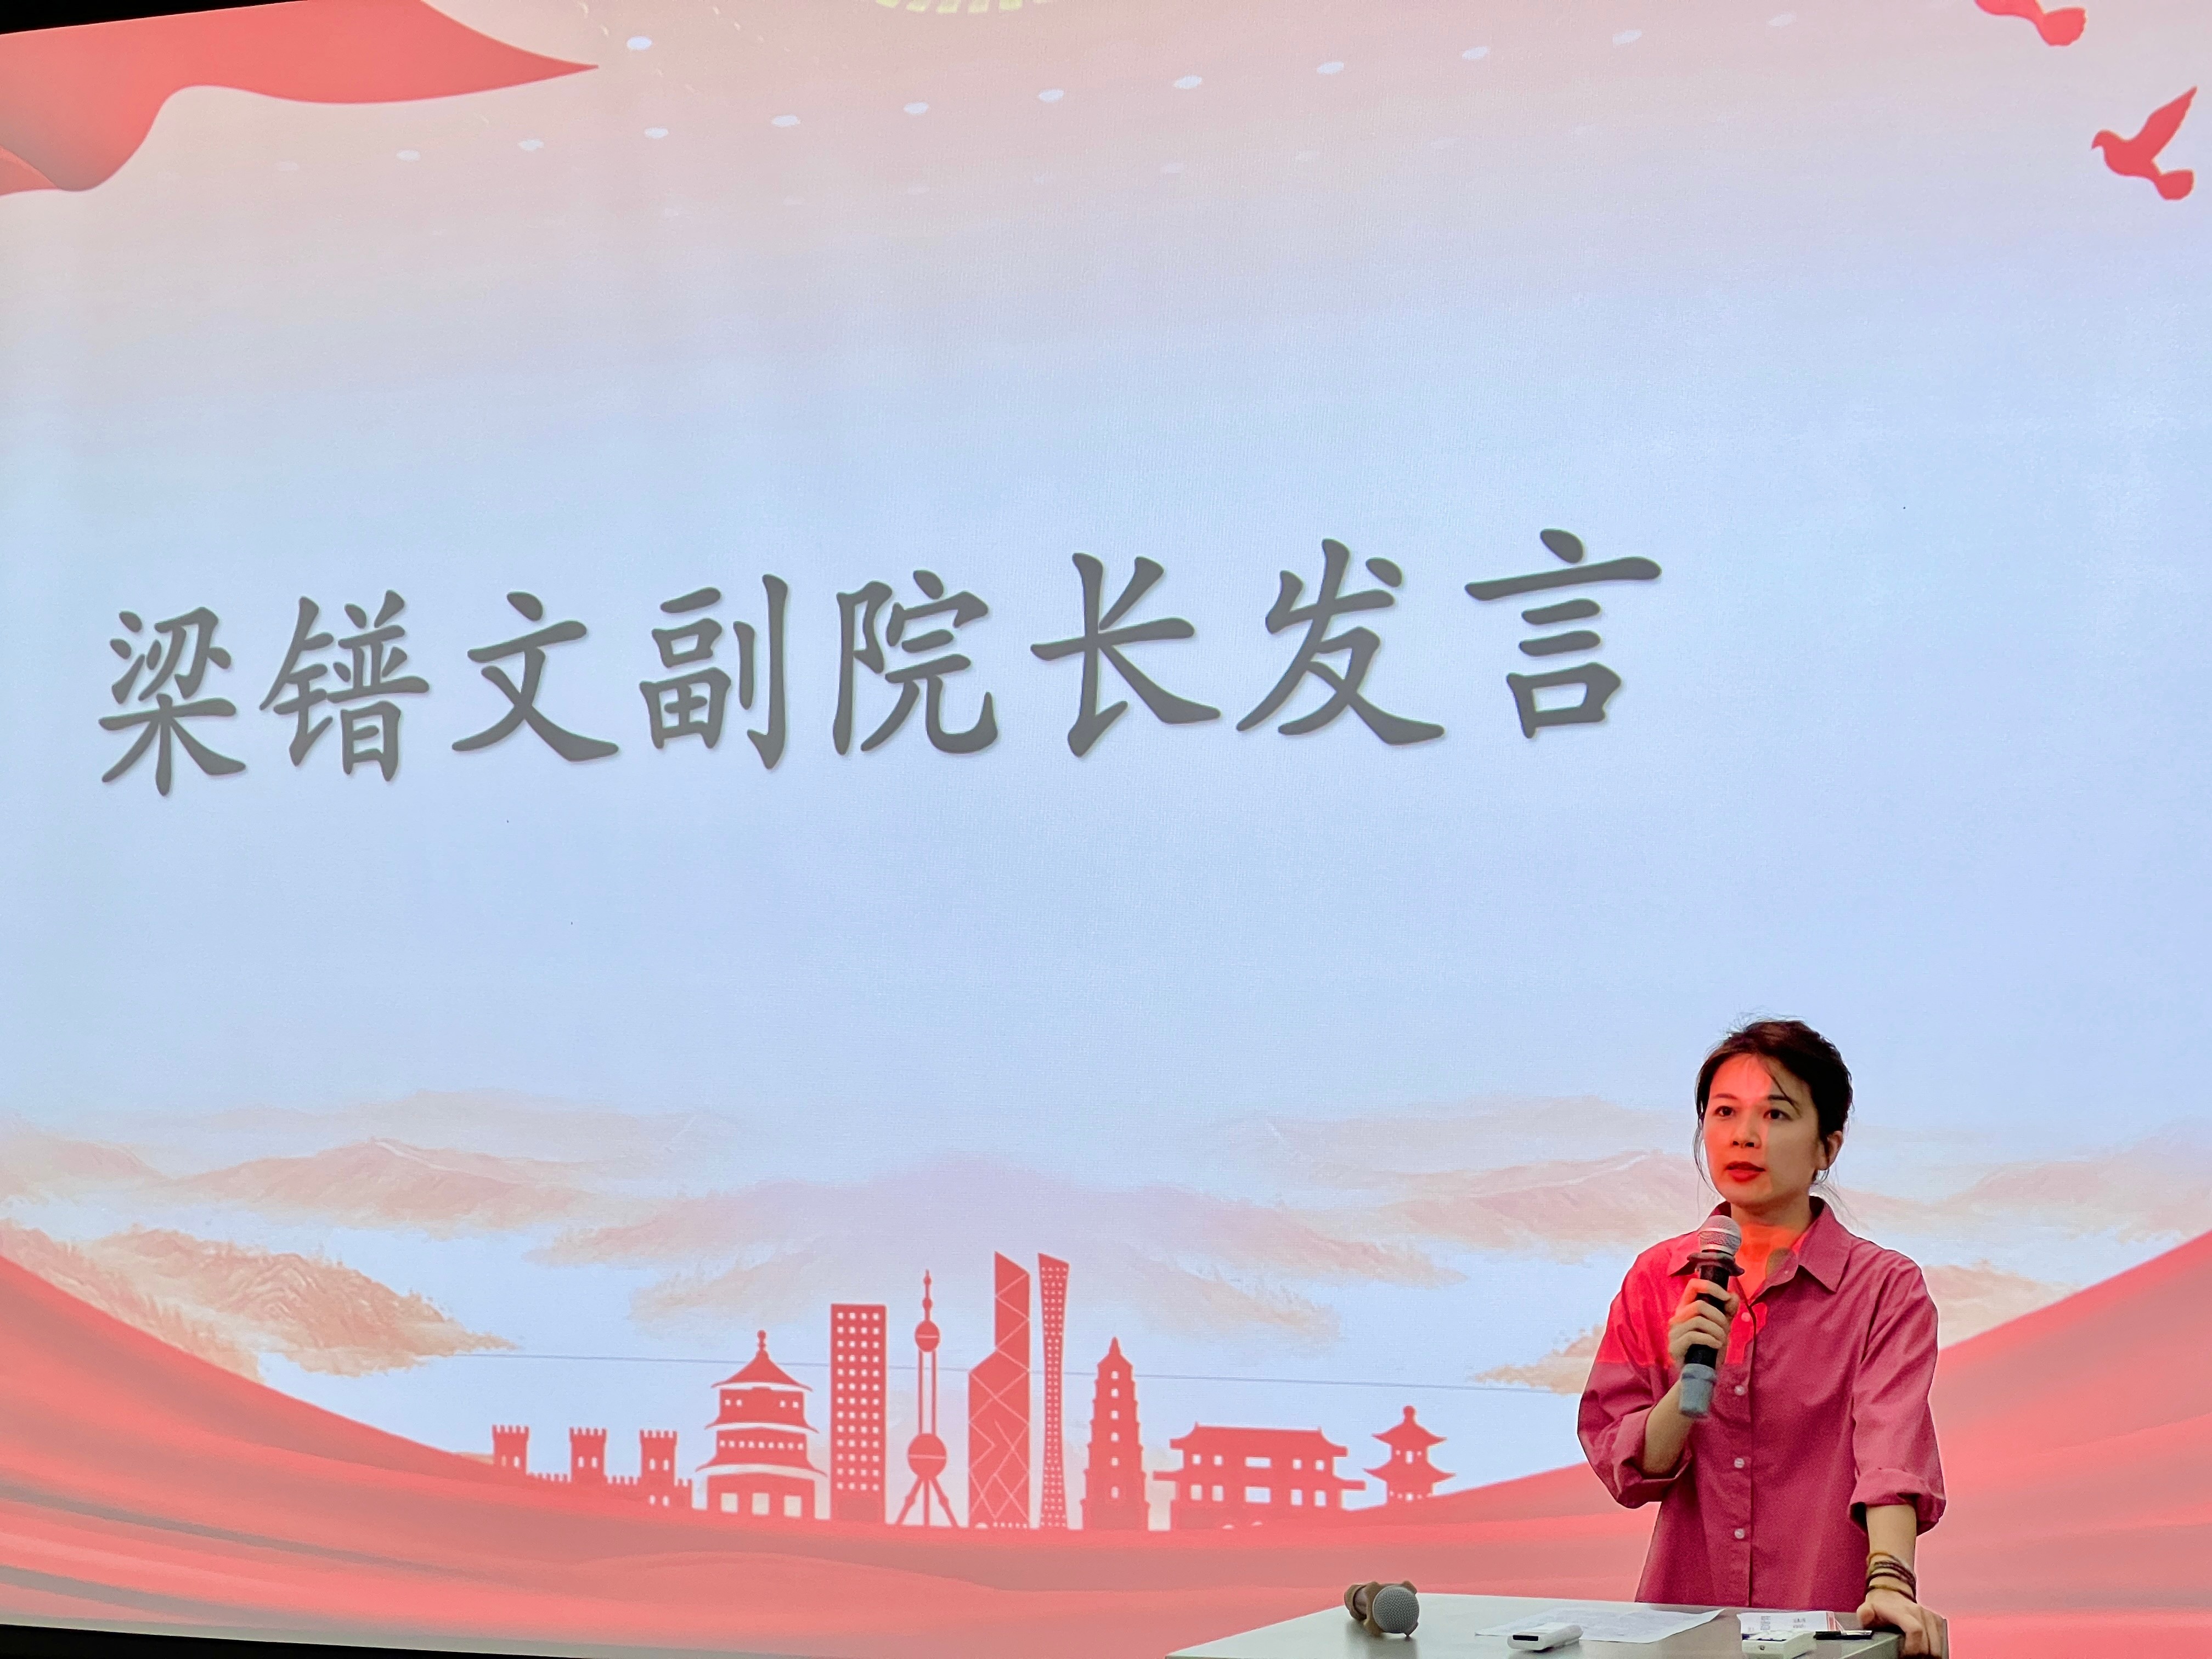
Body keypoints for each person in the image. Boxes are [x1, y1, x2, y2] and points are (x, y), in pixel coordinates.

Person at [1578, 1019, 1949, 1657]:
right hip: (1684, 1632)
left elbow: (1891, 1452)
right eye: (1725, 1112)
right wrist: (1688, 1389)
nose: (1745, 1135)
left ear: (1827, 1147)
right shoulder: (1655, 1279)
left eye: (1776, 1114)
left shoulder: (1884, 1288)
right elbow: (1628, 1469)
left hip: (1830, 1627)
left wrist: (1891, 1582)